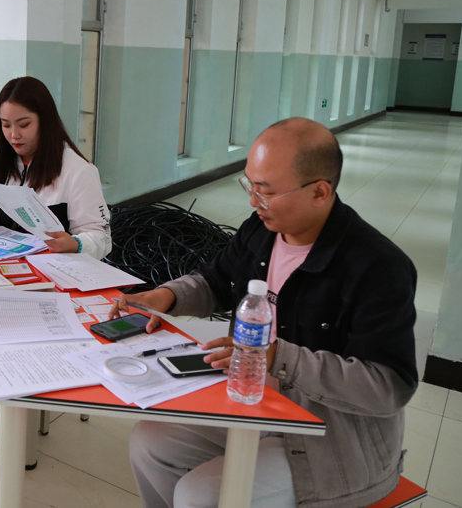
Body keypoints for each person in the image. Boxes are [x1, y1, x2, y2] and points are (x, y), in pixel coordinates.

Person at [112, 117, 417, 508]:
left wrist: (274, 358)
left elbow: (387, 387)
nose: (254, 202)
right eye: (250, 186)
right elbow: (215, 281)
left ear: (320, 192)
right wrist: (165, 296)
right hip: (254, 400)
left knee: (201, 493)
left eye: (266, 192)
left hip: (330, 435)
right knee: (150, 442)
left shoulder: (377, 267)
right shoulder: (261, 230)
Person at [0, 76, 112, 466]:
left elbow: (102, 237)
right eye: (5, 125)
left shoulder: (77, 170)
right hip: (1, 274)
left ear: (45, 120)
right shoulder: (1, 160)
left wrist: (75, 243)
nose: (14, 135)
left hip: (53, 284)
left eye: (23, 124)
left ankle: (2, 418)